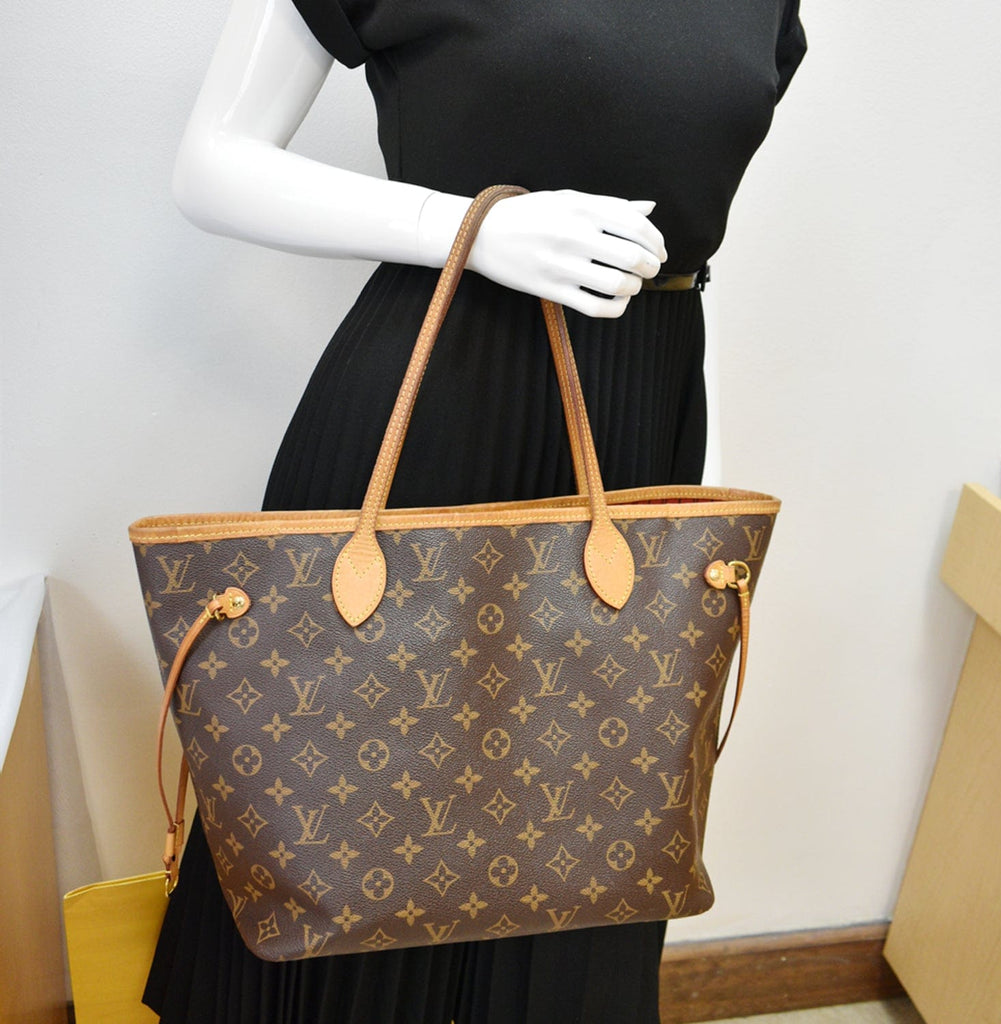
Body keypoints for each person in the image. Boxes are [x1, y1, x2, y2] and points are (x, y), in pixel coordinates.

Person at [143, 1, 806, 1021]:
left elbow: (677, 243)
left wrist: (696, 476)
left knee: (589, 839)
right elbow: (211, 164)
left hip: (646, 428)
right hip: (434, 413)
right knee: (349, 823)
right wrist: (467, 226)